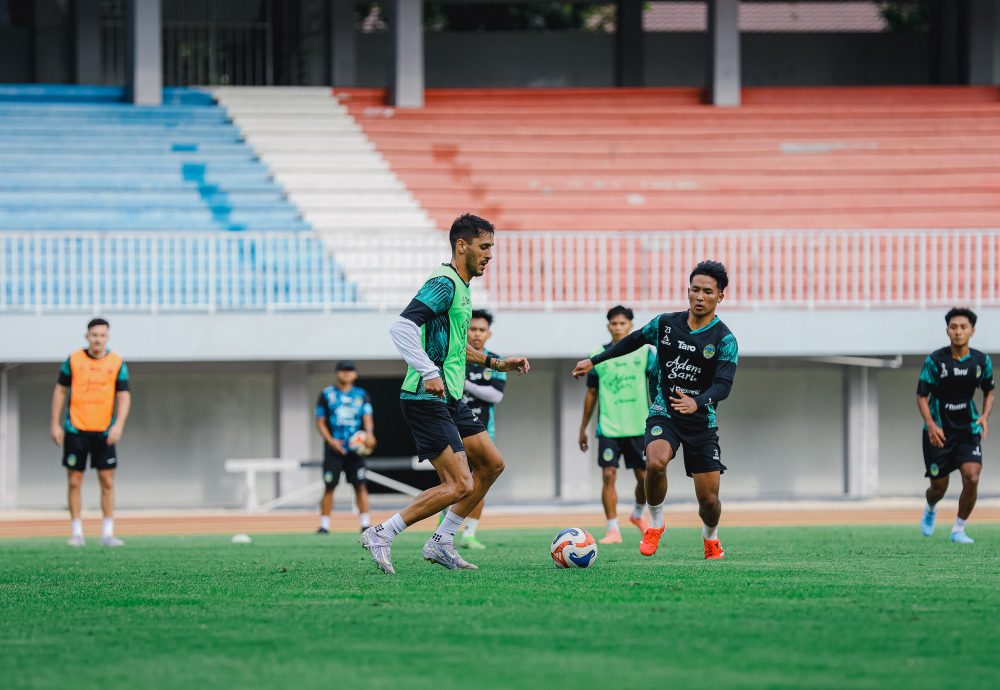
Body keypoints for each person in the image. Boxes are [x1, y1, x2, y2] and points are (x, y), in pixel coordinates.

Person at [360, 213, 530, 574]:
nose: (490, 255)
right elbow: (401, 327)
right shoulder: (444, 282)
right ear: (462, 245)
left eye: (492, 248)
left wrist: (497, 364)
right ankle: (381, 532)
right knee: (459, 483)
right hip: (425, 398)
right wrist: (428, 371)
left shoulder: (463, 288)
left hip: (450, 399)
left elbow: (457, 347)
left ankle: (442, 542)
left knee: (492, 465)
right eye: (485, 247)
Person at [572, 261, 738, 560]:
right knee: (655, 462)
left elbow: (723, 386)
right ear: (688, 291)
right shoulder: (665, 325)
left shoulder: (724, 340)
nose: (700, 296)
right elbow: (633, 340)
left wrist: (697, 402)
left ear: (720, 297)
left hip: (701, 421)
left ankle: (711, 537)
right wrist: (595, 360)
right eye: (695, 289)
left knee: (709, 499)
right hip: (665, 412)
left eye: (708, 292)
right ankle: (656, 523)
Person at [50, 318, 131, 547]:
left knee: (107, 481)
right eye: (94, 335)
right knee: (74, 481)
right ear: (87, 336)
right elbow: (60, 390)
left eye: (102, 335)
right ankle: (77, 533)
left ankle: (108, 533)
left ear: (107, 337)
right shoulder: (73, 360)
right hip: (76, 429)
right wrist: (55, 423)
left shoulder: (117, 362)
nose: (98, 339)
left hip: (105, 430)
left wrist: (119, 425)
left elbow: (124, 395)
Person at [579, 305, 656, 544]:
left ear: (631, 326)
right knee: (608, 475)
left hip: (639, 426)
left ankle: (637, 514)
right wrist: (583, 428)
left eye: (623, 323)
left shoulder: (645, 352)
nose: (618, 327)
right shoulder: (597, 354)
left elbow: (656, 385)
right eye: (614, 323)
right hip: (609, 428)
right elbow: (591, 394)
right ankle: (613, 529)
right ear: (608, 326)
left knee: (645, 477)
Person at [917, 307, 994, 543]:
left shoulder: (981, 361)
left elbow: (989, 390)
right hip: (938, 433)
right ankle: (931, 507)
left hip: (967, 431)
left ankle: (958, 529)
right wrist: (930, 424)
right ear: (947, 330)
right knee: (938, 488)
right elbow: (921, 395)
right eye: (954, 327)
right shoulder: (935, 361)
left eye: (963, 327)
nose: (958, 331)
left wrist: (984, 416)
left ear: (972, 331)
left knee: (972, 476)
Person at [458, 309, 507, 550]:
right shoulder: (455, 356)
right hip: (452, 429)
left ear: (488, 334)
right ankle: (442, 528)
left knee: (481, 480)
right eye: (472, 329)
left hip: (482, 430)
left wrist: (464, 383)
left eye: (481, 330)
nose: (476, 334)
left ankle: (469, 534)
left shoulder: (496, 360)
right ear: (465, 330)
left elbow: (495, 395)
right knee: (453, 481)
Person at [315, 361, 376, 534]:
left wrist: (369, 434)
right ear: (336, 373)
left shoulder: (361, 394)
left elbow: (367, 416)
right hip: (334, 448)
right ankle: (324, 525)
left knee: (360, 485)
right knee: (329, 485)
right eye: (343, 370)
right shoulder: (327, 394)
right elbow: (320, 422)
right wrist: (331, 441)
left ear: (355, 374)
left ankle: (365, 524)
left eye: (350, 370)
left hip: (356, 449)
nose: (346, 374)